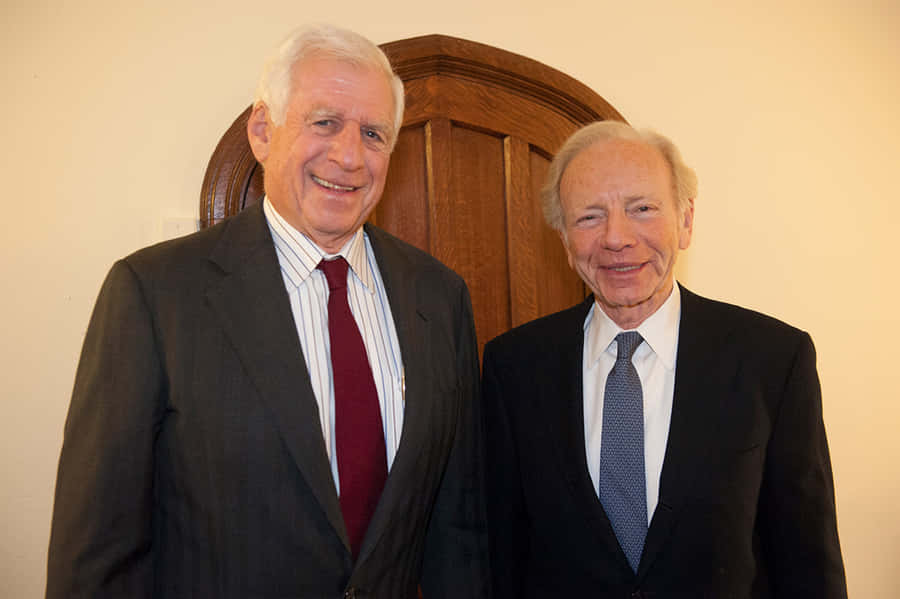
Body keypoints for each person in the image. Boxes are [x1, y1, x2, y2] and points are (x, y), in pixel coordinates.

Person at [47, 25, 488, 599]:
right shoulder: (154, 294)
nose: (350, 155)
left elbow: (457, 528)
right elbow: (98, 550)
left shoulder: (439, 297)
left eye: (374, 133)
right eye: (324, 122)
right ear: (263, 130)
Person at [482, 120, 847, 597]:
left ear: (686, 221)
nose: (616, 237)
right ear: (564, 239)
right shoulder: (514, 368)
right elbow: (502, 559)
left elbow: (808, 562)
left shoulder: (773, 361)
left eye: (643, 208)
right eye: (589, 216)